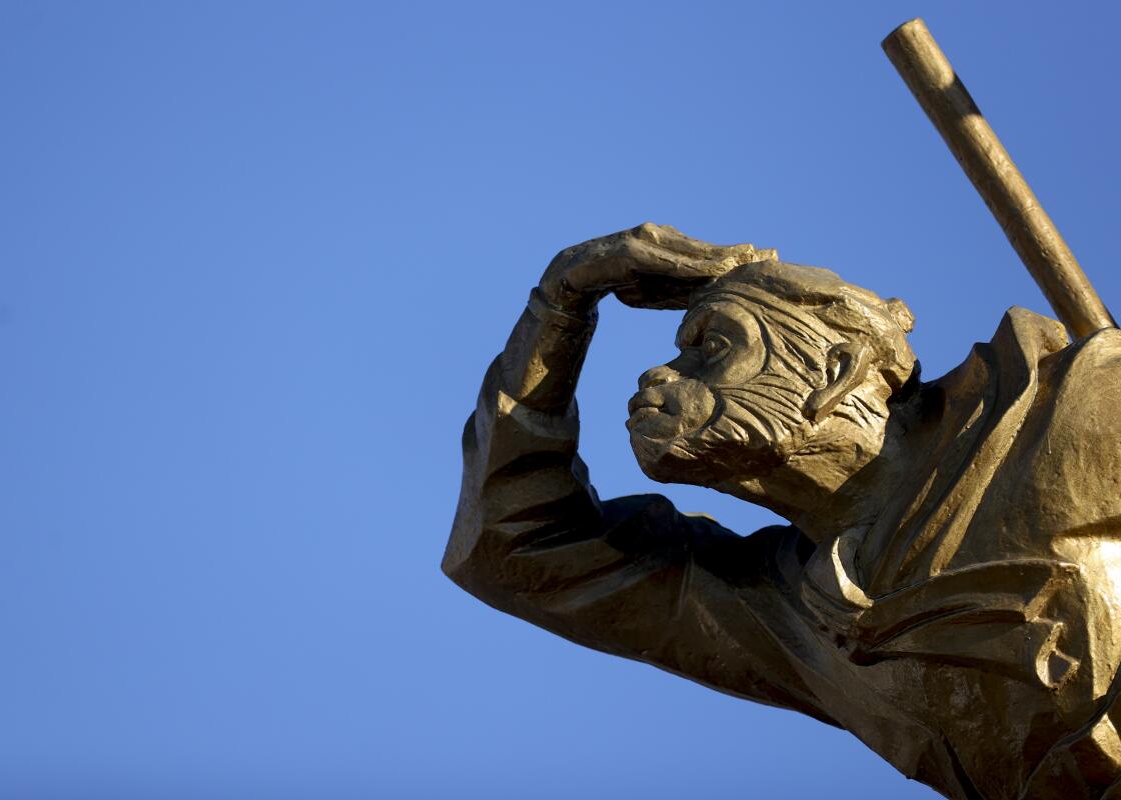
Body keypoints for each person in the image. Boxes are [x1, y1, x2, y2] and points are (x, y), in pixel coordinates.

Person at [442, 223, 1121, 800]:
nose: (659, 375)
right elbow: (519, 548)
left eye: (711, 347)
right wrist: (562, 301)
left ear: (833, 371)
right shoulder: (787, 609)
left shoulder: (1073, 413)